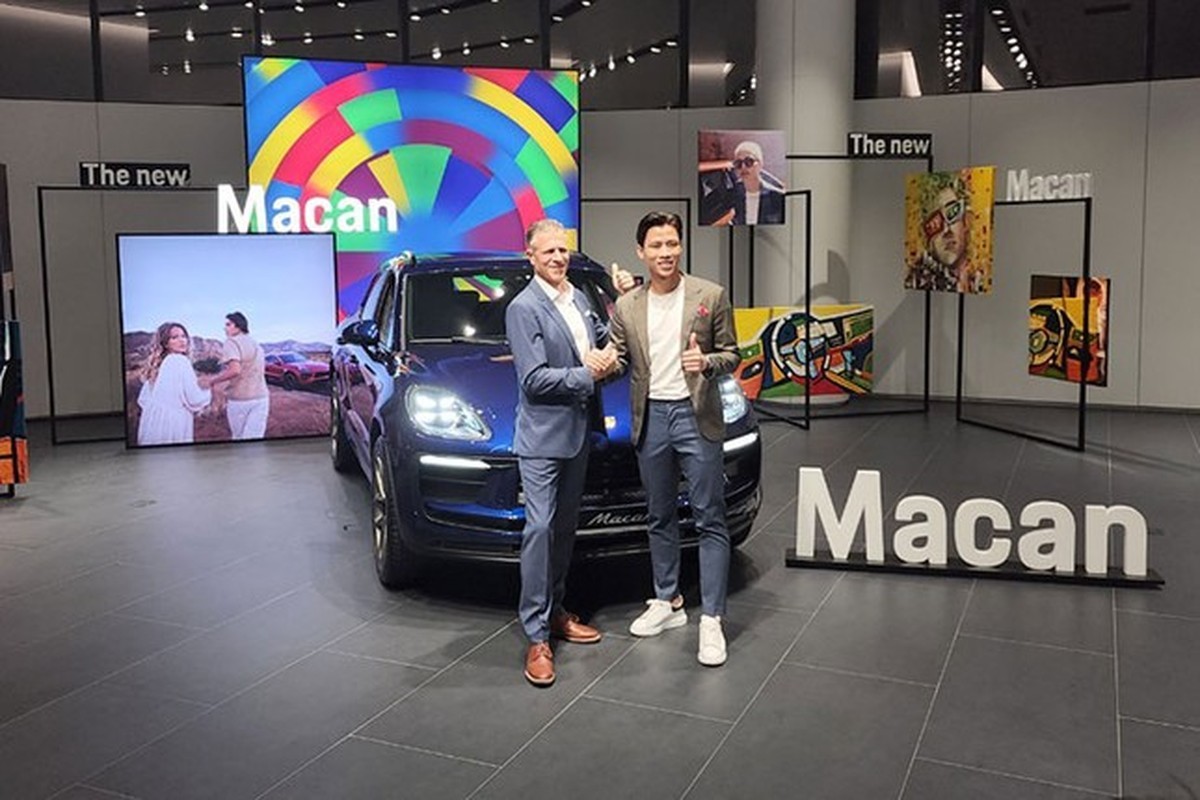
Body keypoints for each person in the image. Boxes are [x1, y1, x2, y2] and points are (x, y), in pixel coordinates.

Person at [605, 211, 741, 666]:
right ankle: (667, 600)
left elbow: (733, 354)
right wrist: (601, 363)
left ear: (681, 246)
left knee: (709, 517)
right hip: (652, 419)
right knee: (659, 514)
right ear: (640, 252)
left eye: (672, 244)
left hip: (695, 415)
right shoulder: (627, 305)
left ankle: (712, 619)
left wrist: (708, 363)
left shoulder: (710, 295)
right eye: (657, 245)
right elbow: (620, 359)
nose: (666, 253)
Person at [505, 218, 615, 687]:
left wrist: (609, 355)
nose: (557, 257)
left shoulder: (580, 299)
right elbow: (534, 380)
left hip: (578, 433)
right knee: (540, 529)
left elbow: (603, 343)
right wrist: (589, 374)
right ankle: (536, 637)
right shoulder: (523, 308)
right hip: (541, 439)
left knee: (565, 528)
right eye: (547, 251)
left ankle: (555, 611)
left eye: (562, 250)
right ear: (530, 256)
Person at [906, 173, 984, 293]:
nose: (946, 230)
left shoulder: (980, 280)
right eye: (935, 224)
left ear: (965, 221)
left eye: (952, 213)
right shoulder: (917, 281)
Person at [136, 322, 211, 446]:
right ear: (166, 343)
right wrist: (210, 390)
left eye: (183, 336)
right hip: (173, 426)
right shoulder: (180, 361)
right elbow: (194, 399)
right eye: (174, 337)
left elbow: (143, 400)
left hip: (151, 425)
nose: (182, 340)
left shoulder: (159, 364)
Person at [210, 311, 269, 440]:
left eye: (228, 324)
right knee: (255, 439)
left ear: (238, 326)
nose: (225, 328)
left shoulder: (232, 342)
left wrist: (214, 380)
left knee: (239, 438)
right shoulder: (256, 344)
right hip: (261, 398)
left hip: (240, 399)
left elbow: (235, 370)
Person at [730, 140, 785, 226]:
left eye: (749, 162)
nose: (743, 167)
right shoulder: (733, 195)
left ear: (760, 164)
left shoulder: (778, 198)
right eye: (738, 163)